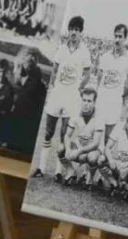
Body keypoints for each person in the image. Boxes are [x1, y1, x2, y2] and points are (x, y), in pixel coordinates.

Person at [34, 15, 90, 178]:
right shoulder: (62, 48)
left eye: (77, 30)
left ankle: (58, 171)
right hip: (58, 95)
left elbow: (87, 73)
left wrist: (79, 88)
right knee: (48, 131)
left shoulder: (84, 52)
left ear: (81, 33)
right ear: (68, 31)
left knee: (64, 134)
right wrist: (53, 84)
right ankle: (41, 168)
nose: (74, 32)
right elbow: (55, 68)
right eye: (72, 29)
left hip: (71, 98)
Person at [93, 23, 128, 140]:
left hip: (115, 102)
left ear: (125, 39)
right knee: (96, 133)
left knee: (109, 135)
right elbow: (99, 78)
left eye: (120, 37)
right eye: (115, 36)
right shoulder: (105, 57)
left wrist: (119, 95)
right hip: (101, 101)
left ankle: (105, 157)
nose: (117, 40)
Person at [98, 100, 128, 200]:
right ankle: (114, 184)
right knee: (101, 159)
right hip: (118, 163)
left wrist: (127, 165)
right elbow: (107, 147)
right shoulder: (119, 125)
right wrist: (111, 160)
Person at [56, 87, 104, 186]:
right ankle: (71, 172)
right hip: (80, 145)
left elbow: (95, 144)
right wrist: (68, 149)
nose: (86, 103)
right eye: (84, 100)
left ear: (94, 102)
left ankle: (89, 179)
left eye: (89, 101)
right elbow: (67, 136)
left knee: (92, 157)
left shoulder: (99, 116)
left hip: (93, 150)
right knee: (61, 148)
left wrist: (79, 151)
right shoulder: (76, 113)